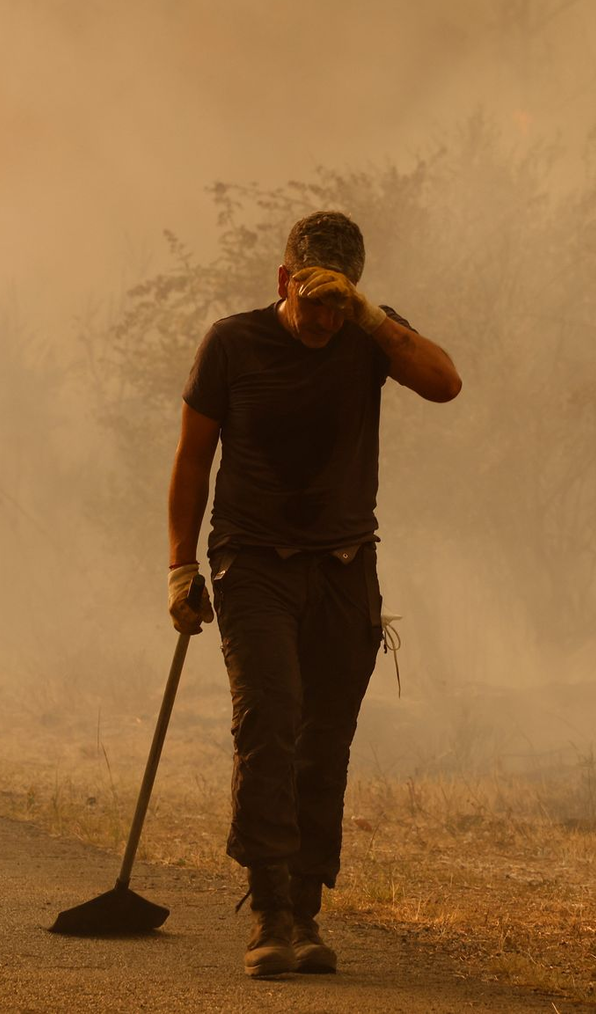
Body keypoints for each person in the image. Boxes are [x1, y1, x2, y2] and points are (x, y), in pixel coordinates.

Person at [166, 210, 461, 979]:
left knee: (324, 741)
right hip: (251, 561)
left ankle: (305, 908)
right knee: (270, 722)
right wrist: (178, 568)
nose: (325, 317)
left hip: (342, 566)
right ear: (282, 280)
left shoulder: (369, 335)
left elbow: (446, 384)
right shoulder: (231, 343)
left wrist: (370, 315)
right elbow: (193, 462)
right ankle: (268, 911)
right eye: (314, 298)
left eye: (341, 301)